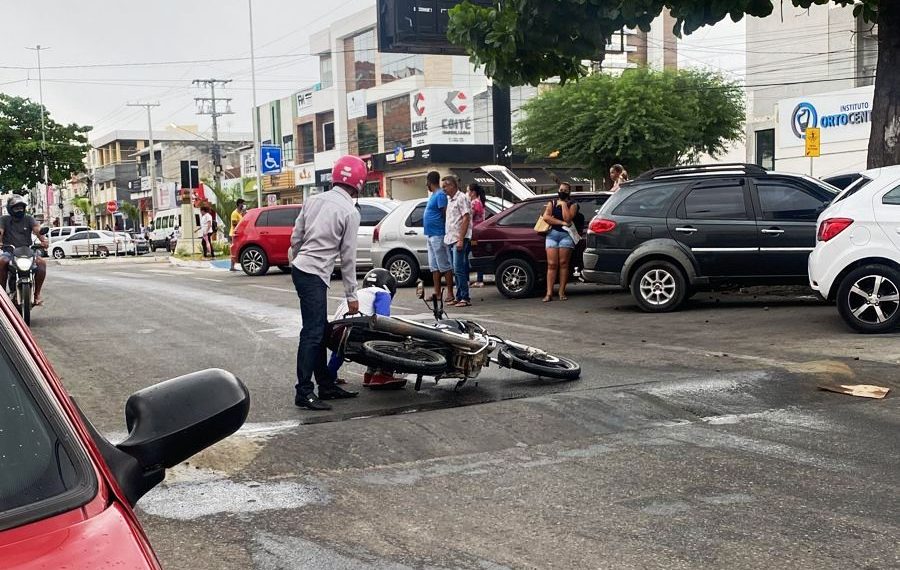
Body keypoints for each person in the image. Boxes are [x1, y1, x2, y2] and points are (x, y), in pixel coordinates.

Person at [291, 154, 363, 410]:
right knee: (312, 333)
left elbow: (296, 237)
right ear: (358, 184)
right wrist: (352, 295)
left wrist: (296, 257)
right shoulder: (349, 212)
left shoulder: (313, 200)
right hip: (314, 274)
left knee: (319, 331)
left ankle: (326, 385)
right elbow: (348, 258)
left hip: (302, 270)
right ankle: (304, 391)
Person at [327, 268, 405, 388]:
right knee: (392, 335)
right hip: (355, 329)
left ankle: (365, 374)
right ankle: (382, 374)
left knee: (340, 348)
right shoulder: (382, 293)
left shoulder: (358, 293)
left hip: (335, 331)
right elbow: (383, 318)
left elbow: (339, 345)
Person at [0, 196, 49, 306]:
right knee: (2, 261)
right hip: (10, 251)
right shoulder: (4, 219)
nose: (19, 210)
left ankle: (37, 295)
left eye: (21, 207)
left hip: (28, 251)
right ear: (10, 209)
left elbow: (37, 229)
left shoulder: (29, 219)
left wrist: (43, 240)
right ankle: (2, 295)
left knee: (41, 263)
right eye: (16, 208)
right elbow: (0, 231)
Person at [541, 183, 579, 302]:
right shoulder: (551, 203)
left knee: (563, 263)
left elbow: (568, 219)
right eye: (561, 189)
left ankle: (561, 291)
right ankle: (549, 292)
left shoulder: (573, 205)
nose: (562, 192)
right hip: (552, 235)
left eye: (565, 190)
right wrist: (561, 223)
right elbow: (546, 218)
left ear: (569, 193)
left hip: (566, 236)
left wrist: (563, 205)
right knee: (552, 264)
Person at [423, 170, 454, 302]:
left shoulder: (440, 195)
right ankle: (437, 292)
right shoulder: (434, 195)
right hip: (430, 234)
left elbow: (444, 213)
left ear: (429, 182)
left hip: (438, 234)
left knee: (444, 264)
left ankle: (450, 293)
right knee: (434, 266)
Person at [442, 175, 472, 307]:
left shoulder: (462, 198)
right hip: (450, 238)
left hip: (459, 238)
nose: (444, 189)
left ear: (452, 185)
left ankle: (465, 297)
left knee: (459, 268)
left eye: (445, 186)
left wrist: (461, 239)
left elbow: (466, 218)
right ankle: (459, 295)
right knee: (455, 268)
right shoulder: (450, 200)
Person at [467, 183, 487, 288]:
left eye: (468, 191)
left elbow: (470, 217)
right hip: (479, 232)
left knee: (468, 255)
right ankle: (480, 279)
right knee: (478, 254)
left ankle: (473, 280)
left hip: (473, 233)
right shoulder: (481, 202)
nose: (467, 193)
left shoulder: (474, 203)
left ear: (473, 192)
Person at [229, 199, 246, 271]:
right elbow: (234, 224)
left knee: (237, 249)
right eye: (242, 204)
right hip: (234, 234)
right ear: (239, 204)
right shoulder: (234, 213)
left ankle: (232, 267)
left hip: (238, 234)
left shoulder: (240, 213)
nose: (243, 205)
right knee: (234, 250)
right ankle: (232, 266)